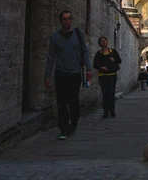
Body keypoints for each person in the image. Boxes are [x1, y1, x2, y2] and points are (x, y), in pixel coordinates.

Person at [44, 11, 92, 140]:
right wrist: (47, 76)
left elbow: (85, 52)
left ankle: (74, 123)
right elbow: (51, 57)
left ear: (71, 20)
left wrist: (88, 68)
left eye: (69, 18)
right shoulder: (55, 37)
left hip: (75, 73)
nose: (67, 21)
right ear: (60, 21)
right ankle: (63, 129)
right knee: (61, 102)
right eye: (64, 19)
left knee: (73, 101)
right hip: (61, 73)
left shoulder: (78, 34)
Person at [93, 36, 122, 118]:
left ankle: (112, 110)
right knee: (105, 94)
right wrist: (101, 67)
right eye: (101, 41)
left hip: (112, 75)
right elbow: (95, 64)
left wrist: (114, 60)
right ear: (99, 44)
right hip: (102, 76)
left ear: (107, 42)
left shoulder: (113, 52)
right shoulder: (98, 54)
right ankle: (105, 112)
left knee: (111, 93)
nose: (104, 42)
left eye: (105, 40)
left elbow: (119, 60)